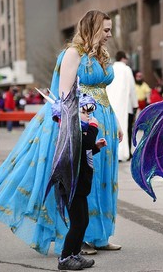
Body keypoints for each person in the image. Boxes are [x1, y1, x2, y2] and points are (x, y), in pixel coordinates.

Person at [0, 10, 122, 256]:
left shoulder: (101, 55)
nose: (110, 34)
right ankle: (80, 238)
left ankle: (99, 235)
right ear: (92, 28)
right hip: (83, 122)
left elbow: (103, 94)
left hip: (105, 118)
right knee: (87, 179)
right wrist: (80, 125)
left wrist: (116, 121)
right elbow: (64, 96)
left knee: (105, 177)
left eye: (110, 29)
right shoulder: (72, 54)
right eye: (106, 29)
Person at [58, 94, 107, 270]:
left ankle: (75, 254)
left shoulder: (80, 131)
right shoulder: (72, 131)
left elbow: (83, 153)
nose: (89, 115)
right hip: (72, 185)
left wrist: (96, 148)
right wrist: (93, 128)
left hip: (80, 184)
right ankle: (64, 259)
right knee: (77, 223)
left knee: (84, 221)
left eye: (90, 112)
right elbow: (84, 143)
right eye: (85, 112)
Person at [107, 50, 138, 162]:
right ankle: (126, 152)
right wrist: (135, 104)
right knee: (126, 129)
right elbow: (132, 89)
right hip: (125, 105)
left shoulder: (110, 68)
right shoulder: (126, 69)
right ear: (124, 58)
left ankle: (113, 152)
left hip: (111, 103)